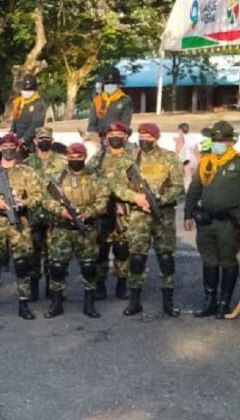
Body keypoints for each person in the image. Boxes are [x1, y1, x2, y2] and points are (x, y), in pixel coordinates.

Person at [183, 121, 240, 318]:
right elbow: (194, 189)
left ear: (230, 141)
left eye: (221, 140)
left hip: (228, 221)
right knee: (208, 260)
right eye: (214, 139)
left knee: (227, 261)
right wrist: (188, 213)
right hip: (206, 220)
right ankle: (210, 302)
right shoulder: (206, 161)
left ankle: (224, 302)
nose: (217, 143)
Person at [111, 123, 184, 317]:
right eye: (142, 136)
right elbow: (117, 186)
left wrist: (158, 200)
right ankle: (135, 300)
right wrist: (135, 198)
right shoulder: (129, 159)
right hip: (138, 215)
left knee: (166, 257)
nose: (145, 140)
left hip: (163, 215)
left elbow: (178, 187)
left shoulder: (169, 158)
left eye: (149, 137)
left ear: (157, 138)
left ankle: (168, 302)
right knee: (136, 257)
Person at [0, 133, 43, 320]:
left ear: (18, 148)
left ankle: (24, 304)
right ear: (0, 149)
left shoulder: (27, 172)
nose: (8, 149)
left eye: (12, 146)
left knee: (22, 264)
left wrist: (25, 202)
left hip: (19, 221)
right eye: (4, 146)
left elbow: (39, 195)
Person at [44, 144, 111, 318]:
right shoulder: (57, 177)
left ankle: (89, 303)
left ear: (85, 156)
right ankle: (56, 303)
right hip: (61, 229)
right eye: (71, 156)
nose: (75, 159)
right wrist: (61, 211)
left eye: (79, 156)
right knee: (57, 267)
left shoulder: (95, 176)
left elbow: (103, 201)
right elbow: (46, 199)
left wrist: (87, 213)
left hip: (87, 228)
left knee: (89, 267)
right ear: (66, 157)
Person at [89, 121, 135, 300]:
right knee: (101, 251)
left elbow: (139, 187)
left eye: (119, 135)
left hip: (125, 211)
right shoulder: (98, 158)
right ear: (106, 137)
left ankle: (121, 286)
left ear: (125, 137)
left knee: (122, 250)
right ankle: (100, 286)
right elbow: (89, 180)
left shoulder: (132, 158)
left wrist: (125, 202)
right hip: (103, 212)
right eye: (111, 135)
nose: (115, 137)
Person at [23, 127, 67, 301]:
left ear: (52, 140)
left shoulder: (62, 162)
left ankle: (53, 289)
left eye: (47, 138)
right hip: (32, 215)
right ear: (35, 141)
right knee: (32, 254)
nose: (44, 141)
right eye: (41, 138)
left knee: (55, 254)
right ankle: (33, 289)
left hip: (54, 215)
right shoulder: (26, 163)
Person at [87, 68, 133, 136]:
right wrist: (94, 137)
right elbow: (92, 124)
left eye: (113, 83)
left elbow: (125, 124)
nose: (110, 85)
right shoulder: (98, 99)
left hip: (117, 137)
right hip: (99, 138)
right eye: (107, 83)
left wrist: (114, 136)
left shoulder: (125, 100)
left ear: (118, 84)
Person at [9, 74, 47, 146]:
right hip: (17, 139)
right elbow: (15, 119)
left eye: (30, 90)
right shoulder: (18, 102)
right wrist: (11, 133)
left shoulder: (39, 104)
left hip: (32, 141)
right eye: (25, 90)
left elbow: (36, 125)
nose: (27, 92)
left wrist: (24, 139)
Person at [175, 123, 200, 191]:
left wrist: (176, 161)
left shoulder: (181, 138)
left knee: (187, 179)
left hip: (185, 159)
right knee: (193, 178)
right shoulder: (192, 138)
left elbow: (178, 151)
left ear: (180, 130)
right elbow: (197, 151)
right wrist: (198, 161)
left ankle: (188, 193)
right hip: (194, 160)